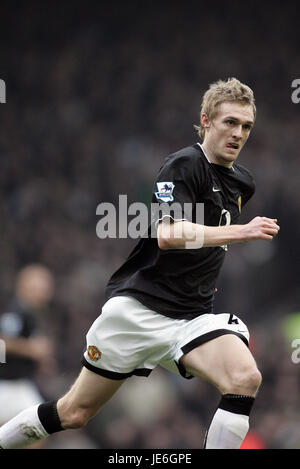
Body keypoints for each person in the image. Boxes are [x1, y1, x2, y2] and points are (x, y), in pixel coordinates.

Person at [0, 78, 280, 450]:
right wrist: (241, 233)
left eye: (246, 126)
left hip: (189, 318)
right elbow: (168, 233)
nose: (238, 133)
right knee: (73, 413)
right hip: (139, 312)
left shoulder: (243, 183)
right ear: (206, 121)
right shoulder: (183, 165)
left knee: (245, 377)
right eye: (230, 122)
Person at [0, 264, 56, 448]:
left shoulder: (32, 313)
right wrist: (31, 348)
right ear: (23, 286)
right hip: (6, 385)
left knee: (38, 429)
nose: (43, 294)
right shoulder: (14, 310)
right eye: (38, 288)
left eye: (45, 289)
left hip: (20, 385)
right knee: (37, 427)